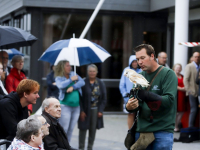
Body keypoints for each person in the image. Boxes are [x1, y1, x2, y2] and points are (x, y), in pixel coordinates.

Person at [126, 44, 177, 150]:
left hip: (162, 131)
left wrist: (147, 95)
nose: (139, 62)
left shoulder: (168, 74)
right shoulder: (139, 76)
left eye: (142, 58)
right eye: (138, 59)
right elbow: (136, 106)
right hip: (142, 132)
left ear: (152, 56)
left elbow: (169, 101)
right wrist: (130, 106)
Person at [55, 60, 85, 142]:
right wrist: (70, 80)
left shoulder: (73, 74)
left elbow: (82, 82)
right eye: (67, 66)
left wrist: (73, 87)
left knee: (71, 129)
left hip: (76, 106)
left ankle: (67, 146)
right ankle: (61, 145)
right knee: (64, 128)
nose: (70, 67)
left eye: (70, 65)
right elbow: (61, 86)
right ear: (62, 67)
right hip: (65, 106)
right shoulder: (59, 78)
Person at [78, 64, 107, 150]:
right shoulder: (83, 82)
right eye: (90, 71)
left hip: (95, 110)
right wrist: (81, 111)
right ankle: (81, 147)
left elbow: (104, 98)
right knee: (83, 129)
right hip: (85, 110)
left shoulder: (100, 83)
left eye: (94, 71)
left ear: (96, 72)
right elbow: (80, 98)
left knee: (93, 129)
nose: (92, 73)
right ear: (87, 72)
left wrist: (101, 110)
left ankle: (90, 147)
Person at [119, 55, 142, 129]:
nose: (135, 63)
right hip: (129, 96)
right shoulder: (126, 70)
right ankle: (130, 131)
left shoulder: (141, 70)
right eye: (133, 62)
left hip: (139, 96)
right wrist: (125, 94)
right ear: (130, 63)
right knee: (131, 113)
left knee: (139, 114)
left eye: (136, 62)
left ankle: (138, 130)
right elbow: (122, 84)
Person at [184, 52, 200, 127]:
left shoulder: (199, 66)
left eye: (198, 57)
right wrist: (188, 90)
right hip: (192, 92)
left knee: (197, 110)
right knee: (194, 110)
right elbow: (185, 79)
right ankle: (190, 127)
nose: (197, 58)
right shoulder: (189, 66)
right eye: (195, 57)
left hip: (198, 92)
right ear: (192, 58)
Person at [173, 63, 186, 132]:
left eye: (179, 68)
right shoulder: (172, 76)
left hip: (182, 95)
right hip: (176, 95)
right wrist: (181, 88)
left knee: (181, 111)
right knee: (175, 111)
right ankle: (174, 126)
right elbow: (173, 85)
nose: (178, 69)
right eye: (177, 67)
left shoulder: (182, 76)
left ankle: (177, 125)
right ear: (174, 68)